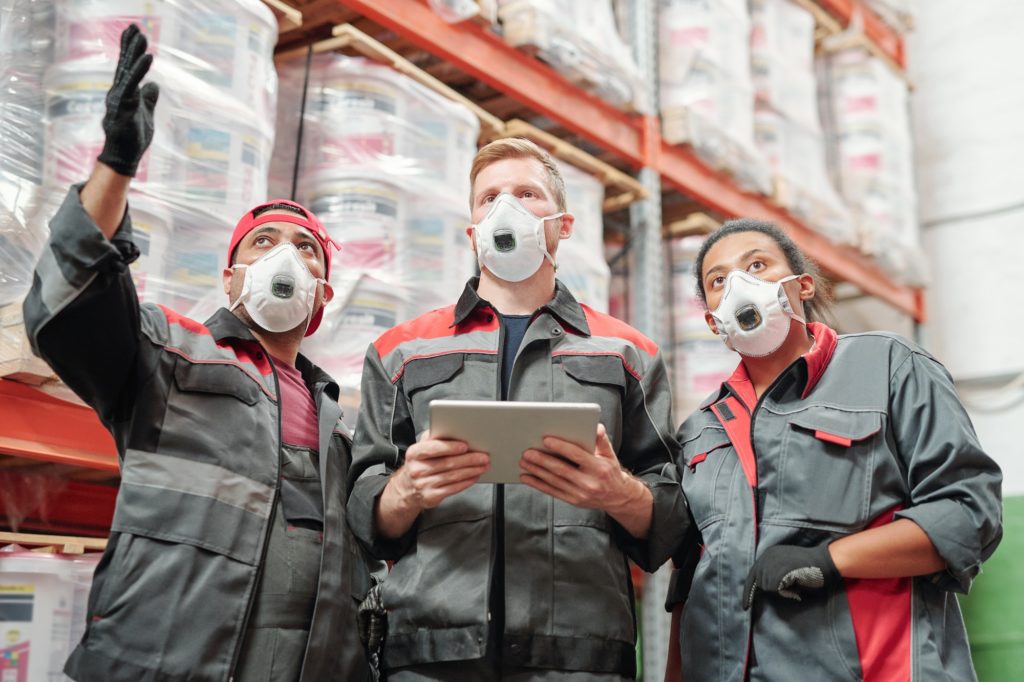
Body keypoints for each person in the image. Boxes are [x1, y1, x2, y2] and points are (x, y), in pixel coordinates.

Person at [22, 25, 379, 681]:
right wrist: (116, 167)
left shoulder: (346, 427)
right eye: (262, 242)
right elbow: (67, 305)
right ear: (230, 276)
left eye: (306, 250)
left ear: (323, 292)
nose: (285, 258)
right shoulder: (170, 353)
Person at [347, 138, 689, 680]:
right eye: (489, 198)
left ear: (564, 224)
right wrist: (405, 490)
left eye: (526, 193)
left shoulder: (627, 352)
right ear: (472, 231)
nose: (504, 207)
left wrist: (619, 493)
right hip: (432, 654)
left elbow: (671, 518)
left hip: (580, 657)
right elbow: (364, 511)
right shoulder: (401, 350)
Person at [664, 219, 1003, 681]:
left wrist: (830, 559)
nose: (738, 286)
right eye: (718, 280)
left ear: (801, 285)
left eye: (757, 265)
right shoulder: (699, 432)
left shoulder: (887, 367)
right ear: (711, 319)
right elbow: (689, 585)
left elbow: (967, 514)